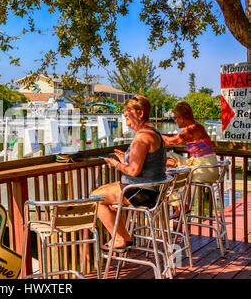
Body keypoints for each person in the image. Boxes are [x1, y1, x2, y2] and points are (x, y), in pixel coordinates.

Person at [91, 95, 167, 252]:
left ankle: (121, 238)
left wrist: (116, 164)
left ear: (140, 113)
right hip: (150, 190)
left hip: (142, 192)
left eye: (128, 111)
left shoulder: (142, 136)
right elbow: (143, 164)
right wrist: (125, 158)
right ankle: (122, 237)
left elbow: (133, 170)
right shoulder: (152, 131)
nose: (124, 114)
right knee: (107, 199)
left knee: (95, 198)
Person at [161, 101, 219, 218]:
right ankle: (182, 202)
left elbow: (172, 141)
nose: (175, 120)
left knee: (166, 177)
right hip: (204, 165)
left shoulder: (193, 128)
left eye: (176, 118)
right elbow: (174, 137)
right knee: (170, 157)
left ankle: (179, 203)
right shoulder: (194, 127)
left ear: (182, 118)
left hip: (203, 168)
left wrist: (151, 134)